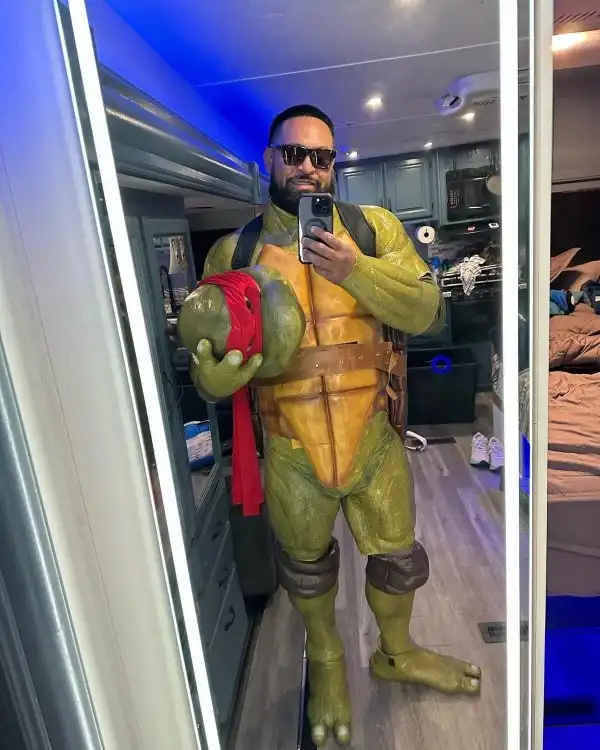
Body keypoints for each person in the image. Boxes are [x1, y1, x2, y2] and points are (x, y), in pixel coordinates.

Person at [187, 105, 480, 747]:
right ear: (269, 159)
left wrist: (355, 270)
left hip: (370, 431)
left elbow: (426, 308)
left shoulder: (373, 229)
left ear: (333, 164)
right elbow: (210, 368)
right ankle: (325, 658)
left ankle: (396, 652)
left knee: (399, 559)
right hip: (291, 444)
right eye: (293, 154)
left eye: (320, 157)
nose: (307, 168)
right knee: (307, 567)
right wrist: (214, 379)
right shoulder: (233, 253)